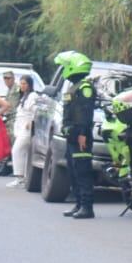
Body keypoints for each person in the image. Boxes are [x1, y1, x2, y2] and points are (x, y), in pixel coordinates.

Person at [49, 53, 99, 217]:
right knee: (73, 171)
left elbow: (85, 113)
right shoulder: (75, 86)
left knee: (83, 172)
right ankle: (78, 204)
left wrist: (83, 134)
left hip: (80, 136)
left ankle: (87, 207)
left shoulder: (85, 88)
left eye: (65, 66)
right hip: (72, 136)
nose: (64, 70)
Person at [8, 75, 40, 187]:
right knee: (24, 153)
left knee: (16, 150)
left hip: (26, 129)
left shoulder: (33, 96)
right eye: (21, 83)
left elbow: (36, 110)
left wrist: (32, 121)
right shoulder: (23, 96)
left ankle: (19, 177)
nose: (22, 86)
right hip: (20, 128)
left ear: (29, 84)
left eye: (24, 83)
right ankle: (24, 178)